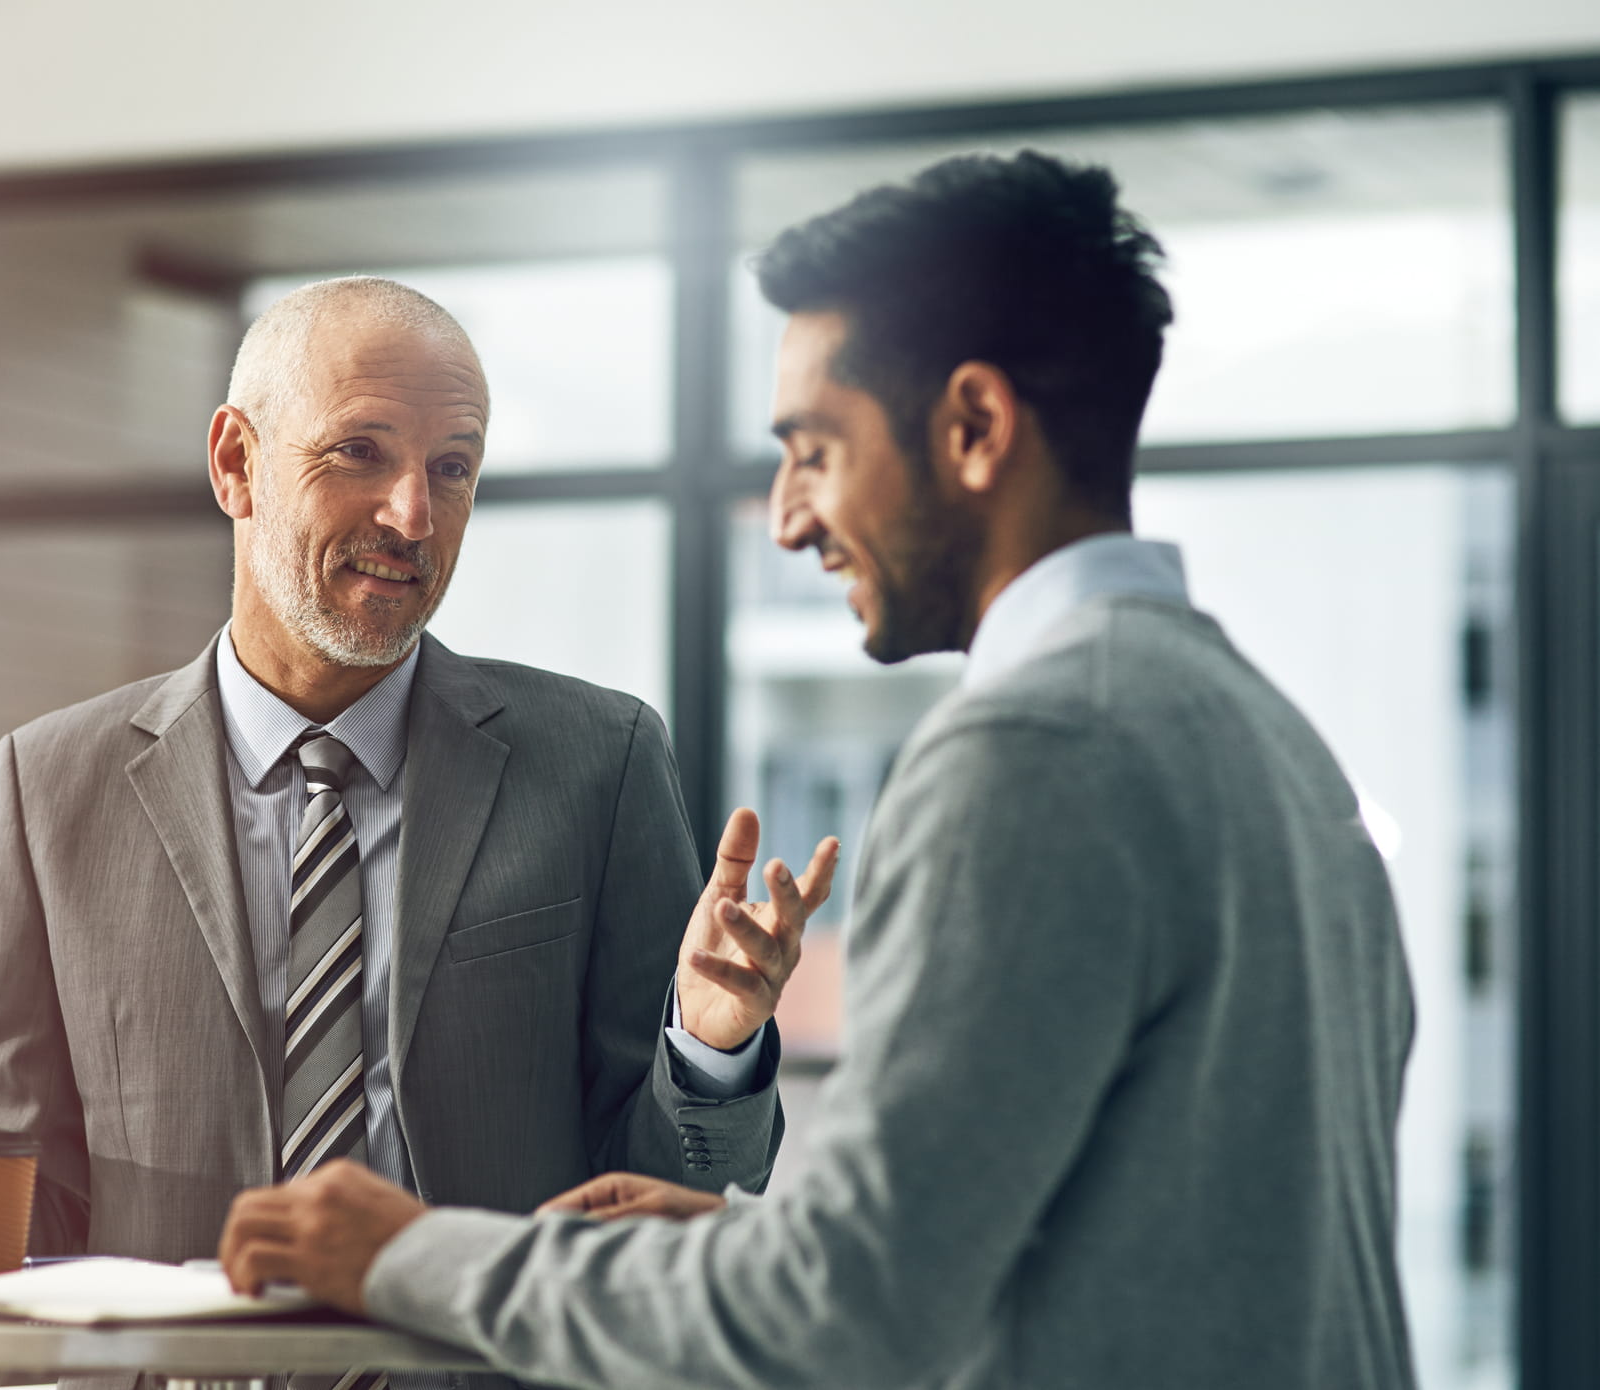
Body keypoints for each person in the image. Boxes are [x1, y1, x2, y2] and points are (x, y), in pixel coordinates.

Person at [215, 154, 1420, 1390]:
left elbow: (836, 1322)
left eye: (815, 448)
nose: (789, 516)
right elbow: (1106, 1255)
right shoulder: (1272, 743)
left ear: (972, 428)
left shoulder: (1028, 754)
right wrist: (750, 1246)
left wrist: (416, 1257)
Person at [0, 277, 839, 1387]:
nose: (413, 511)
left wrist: (713, 1044)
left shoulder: (597, 761)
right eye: (359, 453)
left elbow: (670, 1200)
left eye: (455, 466)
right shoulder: (54, 784)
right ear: (236, 462)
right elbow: (27, 1215)